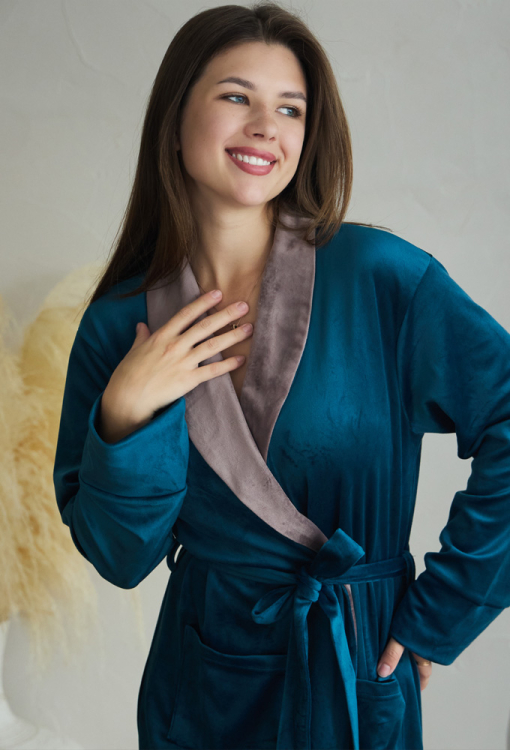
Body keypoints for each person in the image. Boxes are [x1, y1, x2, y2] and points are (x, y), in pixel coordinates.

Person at [52, 3, 510, 749]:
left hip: (352, 669)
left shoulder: (381, 278)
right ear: (176, 117)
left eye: (290, 108)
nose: (267, 127)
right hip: (202, 690)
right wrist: (126, 414)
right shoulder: (119, 324)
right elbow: (120, 558)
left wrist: (445, 610)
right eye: (237, 96)